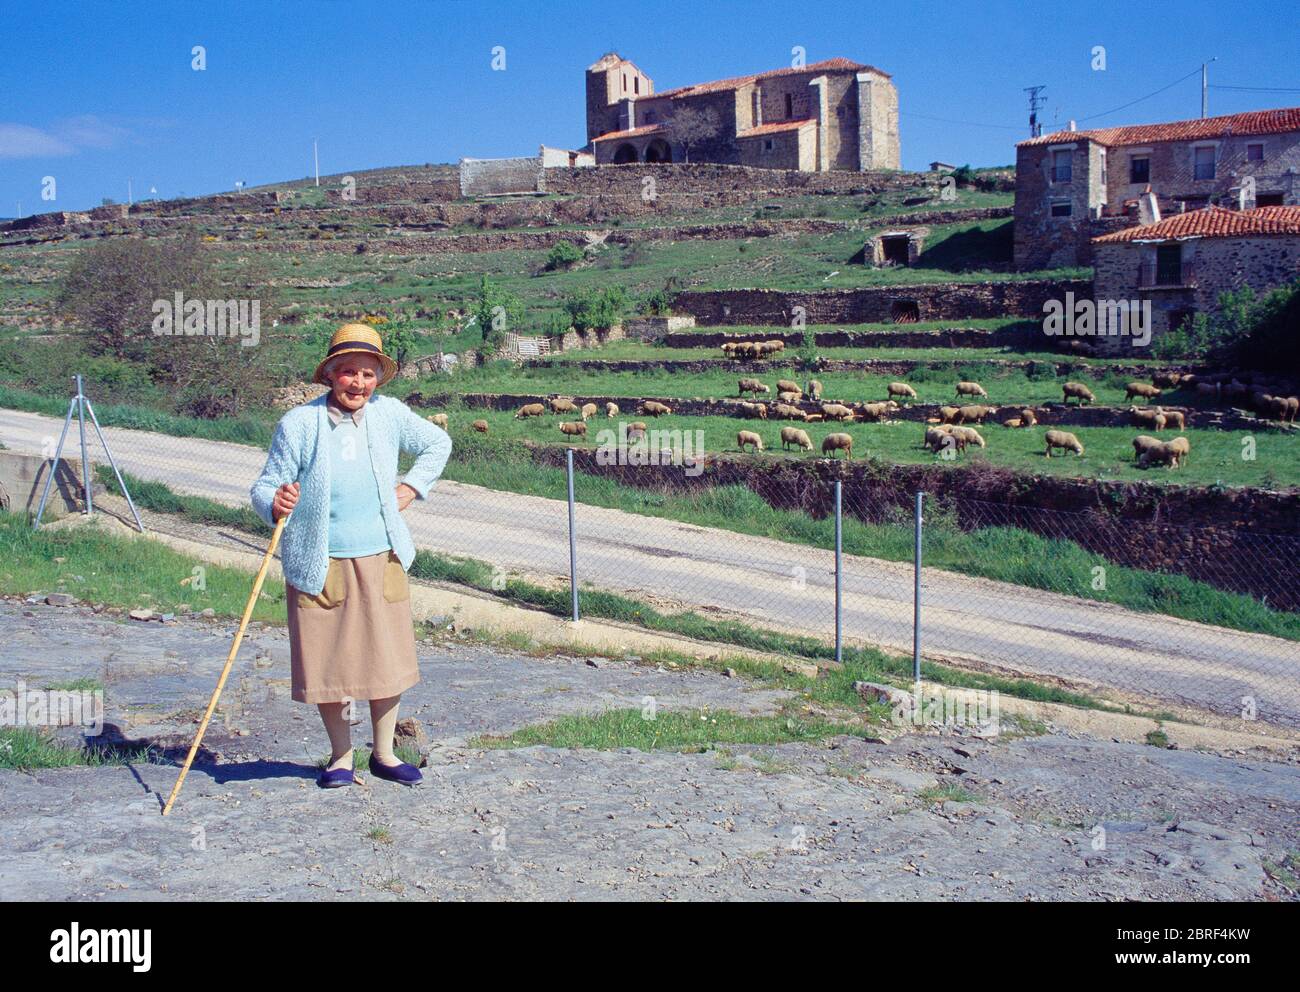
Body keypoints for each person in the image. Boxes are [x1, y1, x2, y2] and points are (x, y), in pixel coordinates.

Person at [250, 323, 452, 788]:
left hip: (381, 556)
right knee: (330, 662)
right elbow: (264, 486)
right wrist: (273, 502)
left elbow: (438, 443)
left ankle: (383, 754)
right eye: (347, 372)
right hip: (321, 560)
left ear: (378, 377)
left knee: (386, 659)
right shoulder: (299, 424)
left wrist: (412, 486)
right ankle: (340, 757)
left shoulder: (389, 414)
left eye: (367, 373)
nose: (358, 383)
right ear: (329, 376)